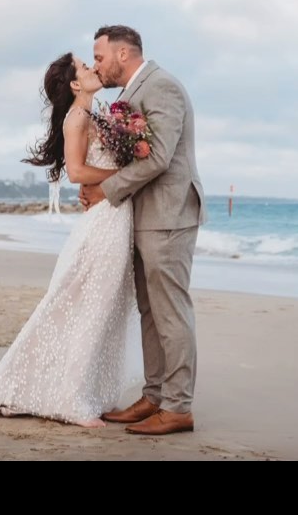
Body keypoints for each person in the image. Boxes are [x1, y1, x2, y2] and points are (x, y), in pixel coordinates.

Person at [0, 53, 141, 428]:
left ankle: (74, 389)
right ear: (76, 84)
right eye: (85, 67)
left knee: (101, 310)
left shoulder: (95, 115)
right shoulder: (77, 118)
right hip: (103, 224)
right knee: (84, 309)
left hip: (114, 219)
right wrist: (127, 173)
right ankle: (70, 401)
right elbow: (76, 172)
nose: (92, 69)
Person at [81, 25, 206, 435]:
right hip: (143, 215)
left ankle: (178, 407)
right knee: (150, 311)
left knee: (170, 310)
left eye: (99, 57)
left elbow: (160, 160)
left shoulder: (162, 86)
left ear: (122, 53)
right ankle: (154, 397)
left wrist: (106, 191)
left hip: (169, 215)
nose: (96, 64)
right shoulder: (129, 94)